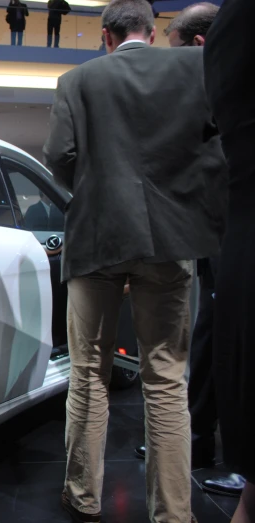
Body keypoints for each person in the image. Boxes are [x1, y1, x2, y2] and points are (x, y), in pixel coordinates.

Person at [43, 0, 227, 521]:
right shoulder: (194, 66)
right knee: (167, 379)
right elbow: (217, 142)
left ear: (106, 36)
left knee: (89, 374)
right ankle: (173, 512)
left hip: (96, 239)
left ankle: (82, 496)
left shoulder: (76, 81)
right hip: (170, 240)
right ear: (151, 31)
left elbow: (59, 156)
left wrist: (99, 189)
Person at [130, 0, 246, 501]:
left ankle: (239, 463)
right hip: (217, 231)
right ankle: (198, 440)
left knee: (231, 339)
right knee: (212, 333)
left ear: (200, 47)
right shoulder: (213, 87)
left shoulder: (229, 88)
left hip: (231, 227)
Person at [204, 0, 255, 520]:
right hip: (198, 236)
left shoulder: (228, 32)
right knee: (167, 372)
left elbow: (62, 155)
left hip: (239, 240)